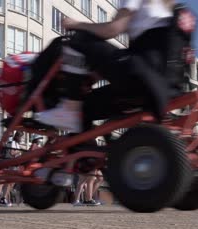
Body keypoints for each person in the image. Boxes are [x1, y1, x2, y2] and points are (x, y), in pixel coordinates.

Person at [35, 0, 185, 133]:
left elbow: (112, 29)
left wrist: (75, 24)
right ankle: (82, 150)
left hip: (140, 78)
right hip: (164, 87)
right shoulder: (169, 7)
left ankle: (69, 110)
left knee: (77, 39)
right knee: (87, 105)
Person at [0, 131, 25, 207]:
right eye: (21, 137)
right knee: (4, 182)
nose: (22, 138)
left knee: (8, 183)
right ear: (17, 136)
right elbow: (12, 153)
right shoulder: (13, 143)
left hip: (12, 164)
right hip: (10, 164)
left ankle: (3, 200)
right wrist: (19, 151)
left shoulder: (15, 143)